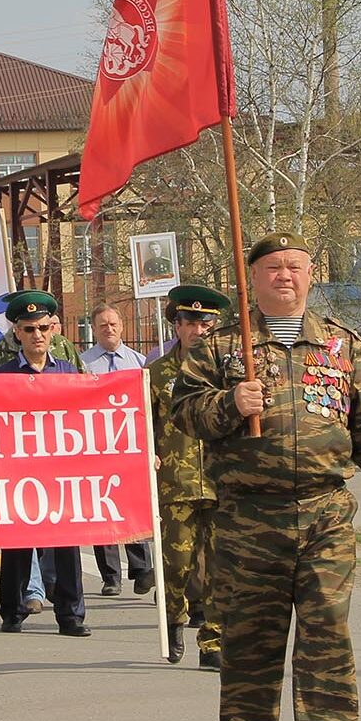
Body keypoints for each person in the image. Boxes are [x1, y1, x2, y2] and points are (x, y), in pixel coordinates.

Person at [171, 231, 361, 721]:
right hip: (250, 515)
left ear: (310, 273)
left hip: (324, 511)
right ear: (253, 278)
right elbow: (182, 413)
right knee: (252, 629)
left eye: (295, 266)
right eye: (273, 267)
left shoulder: (343, 346)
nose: (285, 276)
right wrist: (229, 402)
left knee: (326, 628)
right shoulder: (223, 347)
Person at [0, 291, 91, 638]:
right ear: (17, 332)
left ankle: (71, 615)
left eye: (44, 328)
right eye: (30, 328)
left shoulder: (67, 372)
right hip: (17, 471)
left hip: (59, 470)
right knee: (18, 542)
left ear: (53, 330)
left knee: (66, 544)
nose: (38, 335)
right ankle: (12, 610)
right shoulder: (1, 375)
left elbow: (86, 415)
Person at [150, 285, 229, 669]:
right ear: (176, 326)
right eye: (190, 323)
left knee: (218, 567)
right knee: (177, 565)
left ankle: (213, 641)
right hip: (175, 483)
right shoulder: (156, 374)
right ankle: (175, 619)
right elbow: (141, 426)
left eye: (206, 323)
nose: (198, 330)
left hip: (219, 481)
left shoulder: (228, 370)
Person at [81, 304, 154, 595]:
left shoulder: (139, 363)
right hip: (97, 446)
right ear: (94, 330)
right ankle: (110, 576)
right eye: (102, 325)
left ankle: (141, 569)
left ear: (121, 326)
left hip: (129, 446)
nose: (108, 329)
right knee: (102, 509)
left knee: (132, 507)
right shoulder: (84, 364)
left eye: (112, 324)